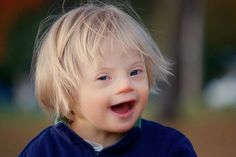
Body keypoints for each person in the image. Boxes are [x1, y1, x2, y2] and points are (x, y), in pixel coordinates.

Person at [19, 1, 197, 157]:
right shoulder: (44, 151)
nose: (125, 85)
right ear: (68, 90)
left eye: (134, 72)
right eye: (104, 77)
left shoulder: (168, 148)